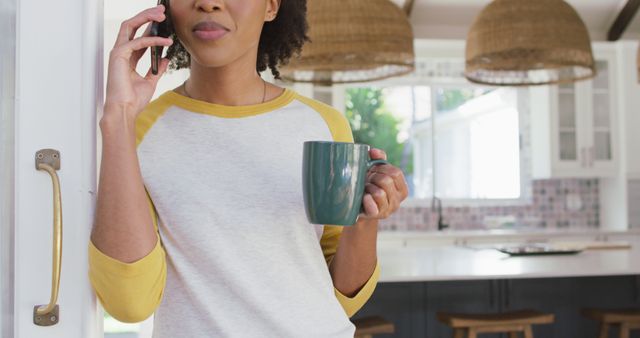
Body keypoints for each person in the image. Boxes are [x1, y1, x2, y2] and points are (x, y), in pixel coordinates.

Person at [88, 0, 409, 337]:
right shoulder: (136, 132)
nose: (208, 3)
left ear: (271, 6)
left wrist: (365, 219)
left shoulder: (323, 125)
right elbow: (129, 303)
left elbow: (340, 297)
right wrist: (119, 116)